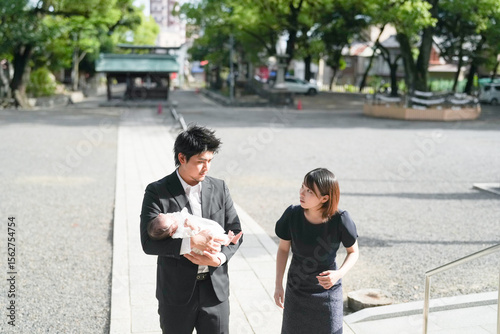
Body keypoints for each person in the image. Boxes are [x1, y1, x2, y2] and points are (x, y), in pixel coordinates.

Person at [140, 125, 243, 334]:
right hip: (176, 293)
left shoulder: (220, 187)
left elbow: (236, 232)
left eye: (210, 161)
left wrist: (219, 259)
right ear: (182, 158)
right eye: (200, 162)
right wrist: (189, 243)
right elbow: (148, 243)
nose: (206, 168)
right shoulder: (157, 191)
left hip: (215, 291)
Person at [274, 168, 359, 334]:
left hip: (327, 291)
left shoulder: (340, 219)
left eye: (309, 191)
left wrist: (338, 274)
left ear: (325, 198)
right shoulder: (292, 214)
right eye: (302, 187)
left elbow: (354, 252)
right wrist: (278, 285)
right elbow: (283, 249)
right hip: (297, 290)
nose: (302, 193)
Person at [147, 208, 243, 252]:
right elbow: (193, 235)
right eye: (172, 221)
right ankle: (227, 240)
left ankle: (228, 239)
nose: (173, 217)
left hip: (201, 224)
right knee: (213, 236)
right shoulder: (178, 233)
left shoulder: (168, 219)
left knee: (213, 229)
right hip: (200, 233)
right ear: (172, 232)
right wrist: (192, 226)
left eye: (169, 216)